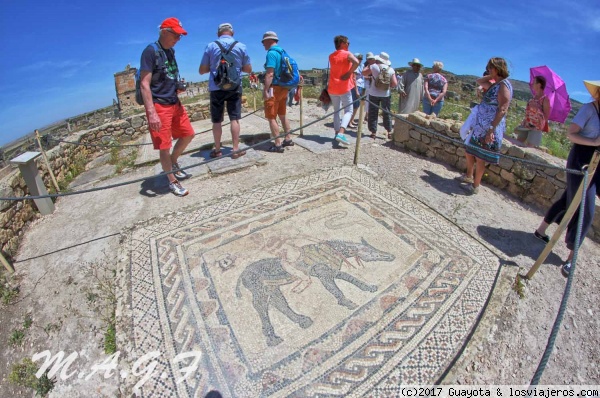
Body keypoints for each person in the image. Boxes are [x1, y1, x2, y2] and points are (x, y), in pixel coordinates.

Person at [534, 80, 600, 277]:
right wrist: (594, 142)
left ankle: (540, 231)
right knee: (585, 208)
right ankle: (572, 256)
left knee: (568, 199)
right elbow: (572, 134)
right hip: (582, 160)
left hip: (598, 163)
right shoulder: (589, 110)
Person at [140, 17, 194, 197]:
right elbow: (144, 84)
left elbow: (167, 76)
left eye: (180, 36)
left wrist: (177, 86)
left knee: (188, 134)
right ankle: (172, 180)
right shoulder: (150, 51)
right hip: (159, 106)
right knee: (164, 145)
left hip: (174, 102)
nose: (178, 39)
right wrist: (151, 113)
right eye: (176, 35)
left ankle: (172, 163)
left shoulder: (170, 52)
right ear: (164, 31)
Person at [458, 57, 513, 194]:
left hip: (488, 128)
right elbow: (480, 81)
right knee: (472, 152)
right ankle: (470, 179)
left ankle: (475, 186)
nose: (488, 70)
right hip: (481, 127)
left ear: (496, 68)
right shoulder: (497, 84)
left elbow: (502, 109)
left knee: (480, 158)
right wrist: (493, 75)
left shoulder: (504, 85)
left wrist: (491, 129)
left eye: (490, 68)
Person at [199, 23, 252, 159]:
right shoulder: (241, 46)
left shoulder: (211, 46)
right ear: (232, 33)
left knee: (216, 121)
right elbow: (248, 69)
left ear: (218, 33)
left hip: (216, 87)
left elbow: (202, 70)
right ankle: (235, 150)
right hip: (234, 87)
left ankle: (217, 150)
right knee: (235, 119)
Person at [261, 31, 295, 153]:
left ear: (269, 41)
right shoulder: (283, 52)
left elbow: (270, 73)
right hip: (284, 87)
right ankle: (288, 138)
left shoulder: (271, 54)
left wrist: (265, 90)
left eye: (263, 42)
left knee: (271, 117)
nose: (263, 45)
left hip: (274, 88)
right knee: (282, 114)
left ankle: (277, 144)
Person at [327, 35, 360, 146]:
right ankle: (341, 133)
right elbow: (356, 62)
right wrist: (349, 73)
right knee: (349, 111)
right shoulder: (347, 54)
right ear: (342, 43)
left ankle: (336, 134)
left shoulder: (331, 56)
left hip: (332, 87)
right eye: (347, 43)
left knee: (336, 111)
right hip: (344, 86)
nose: (349, 45)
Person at [362, 52, 398, 139]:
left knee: (373, 113)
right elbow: (394, 83)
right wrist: (386, 86)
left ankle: (373, 132)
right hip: (386, 94)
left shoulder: (374, 66)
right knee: (386, 112)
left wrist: (370, 64)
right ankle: (389, 131)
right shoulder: (391, 69)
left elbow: (364, 73)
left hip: (373, 93)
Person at [515, 76, 551, 147]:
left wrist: (538, 125)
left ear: (539, 85)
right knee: (517, 144)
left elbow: (546, 116)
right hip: (526, 125)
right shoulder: (533, 98)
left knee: (529, 149)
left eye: (534, 82)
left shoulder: (545, 99)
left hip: (536, 128)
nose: (531, 84)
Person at [349, 53, 364, 129]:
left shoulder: (359, 66)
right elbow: (354, 79)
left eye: (361, 59)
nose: (360, 60)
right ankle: (350, 121)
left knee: (356, 105)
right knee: (355, 105)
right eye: (359, 58)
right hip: (356, 86)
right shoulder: (355, 66)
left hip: (359, 85)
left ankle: (351, 120)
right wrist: (357, 90)